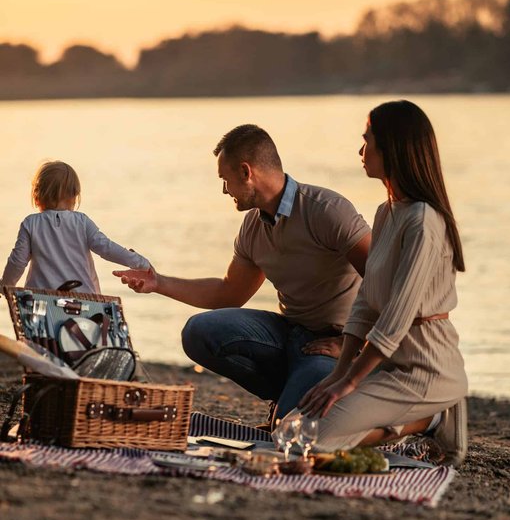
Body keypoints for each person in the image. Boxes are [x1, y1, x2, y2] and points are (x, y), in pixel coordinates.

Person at [114, 124, 371, 421]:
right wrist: (158, 282)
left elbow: (387, 280)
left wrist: (351, 345)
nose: (224, 190)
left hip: (335, 344)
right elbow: (229, 293)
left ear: (246, 172)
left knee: (289, 430)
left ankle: (304, 397)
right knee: (198, 332)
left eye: (225, 180)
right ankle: (289, 391)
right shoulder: (253, 225)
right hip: (289, 332)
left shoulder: (327, 210)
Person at [299, 100, 468, 465]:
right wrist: (339, 374)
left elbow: (395, 318)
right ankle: (420, 421)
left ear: (392, 147)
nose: (361, 151)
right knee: (294, 428)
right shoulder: (386, 212)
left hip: (427, 370)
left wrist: (350, 382)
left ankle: (430, 421)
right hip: (389, 367)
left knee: (312, 442)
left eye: (367, 140)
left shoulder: (423, 221)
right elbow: (365, 302)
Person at [0, 160, 152, 294]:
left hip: (40, 301)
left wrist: (5, 286)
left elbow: (17, 261)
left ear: (37, 194)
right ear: (75, 195)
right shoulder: (82, 222)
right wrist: (141, 263)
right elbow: (107, 248)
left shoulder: (30, 223)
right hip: (84, 300)